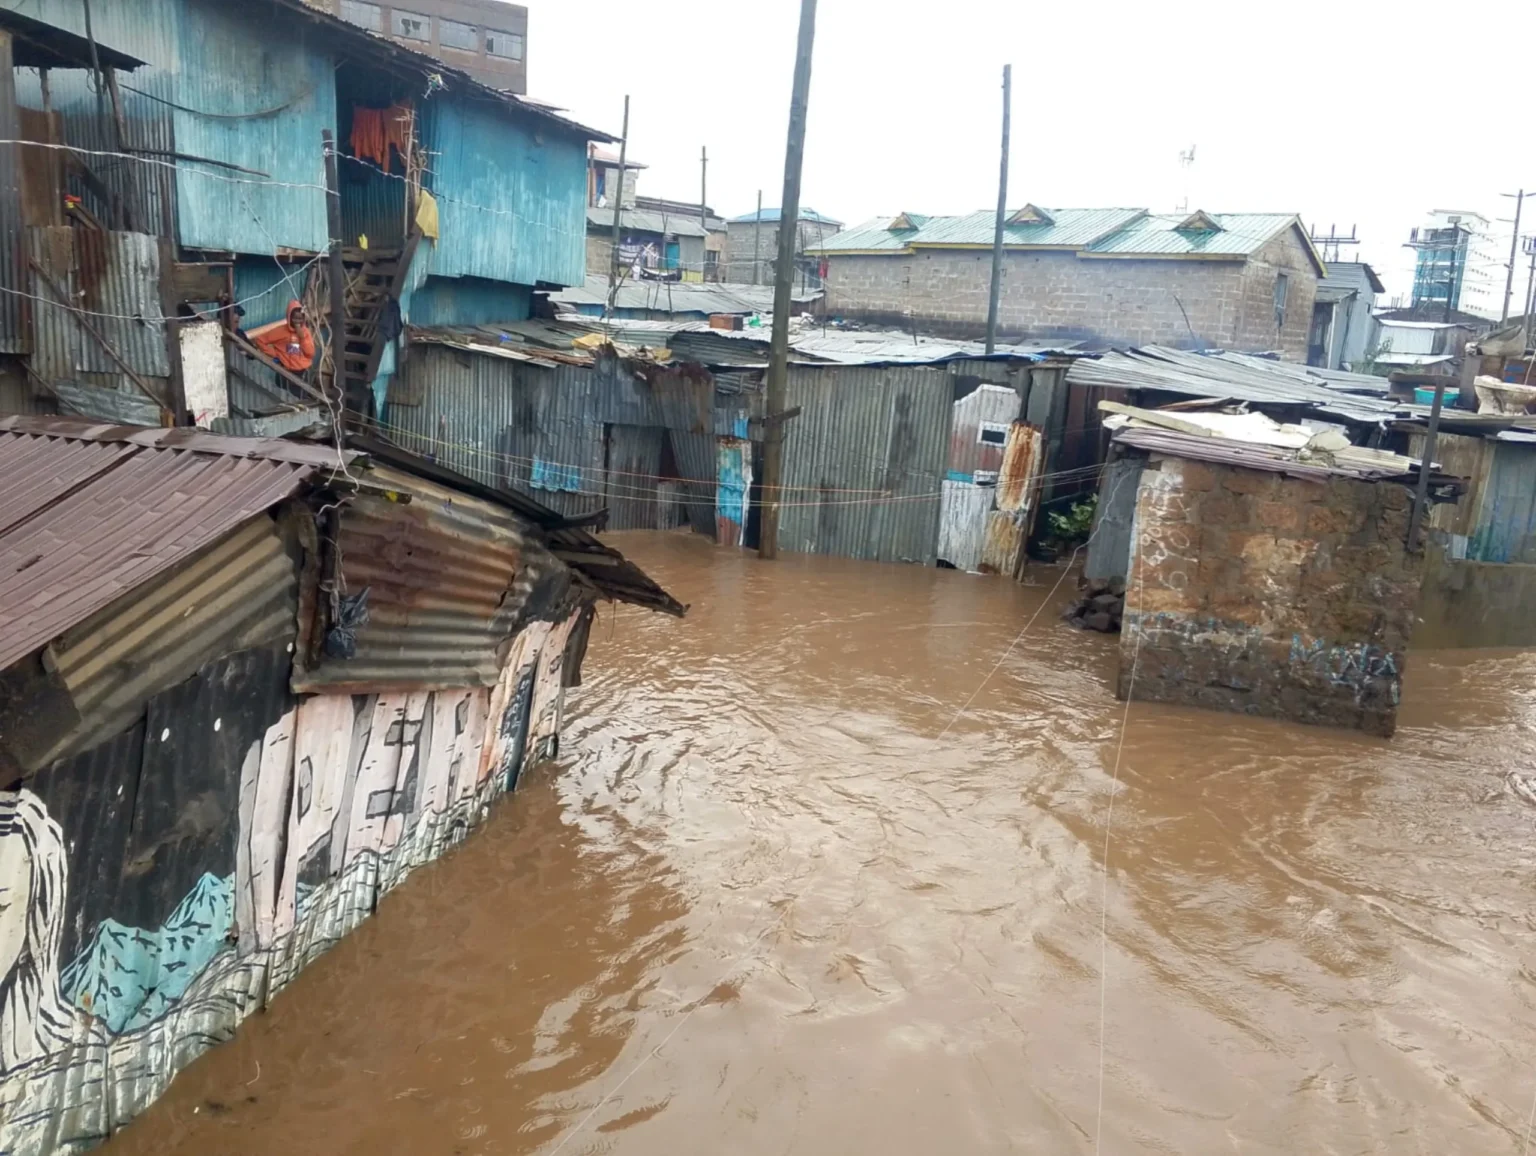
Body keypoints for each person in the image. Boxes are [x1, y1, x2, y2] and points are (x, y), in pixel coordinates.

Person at [247, 299, 315, 373]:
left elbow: (310, 354)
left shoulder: (306, 332)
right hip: (285, 371)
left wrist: (303, 338)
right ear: (289, 317)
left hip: (303, 371)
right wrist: (275, 354)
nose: (297, 322)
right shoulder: (280, 331)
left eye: (300, 319)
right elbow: (260, 340)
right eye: (295, 319)